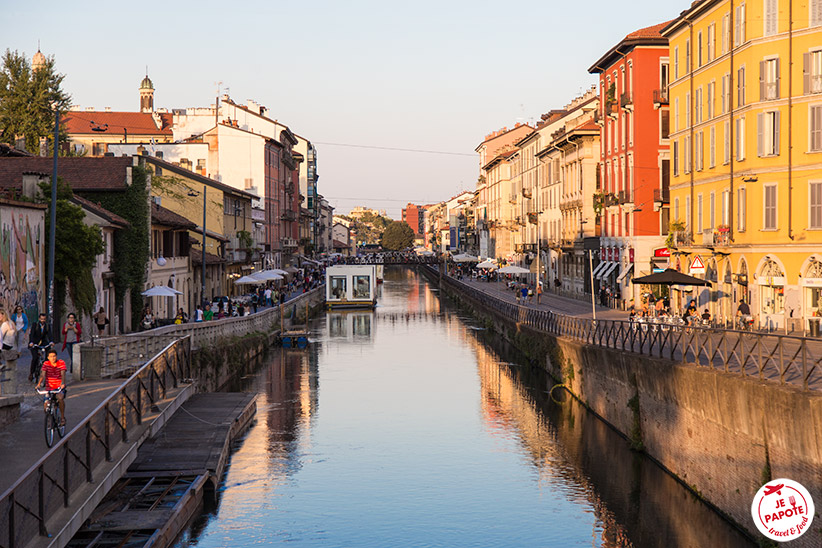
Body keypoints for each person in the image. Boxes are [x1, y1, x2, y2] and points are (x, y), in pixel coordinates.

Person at [34, 348, 66, 426]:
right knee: (46, 405)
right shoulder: (46, 364)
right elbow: (42, 375)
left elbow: (63, 374)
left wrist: (62, 383)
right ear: (48, 357)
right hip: (49, 388)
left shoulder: (61, 363)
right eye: (51, 356)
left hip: (59, 387)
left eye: (54, 356)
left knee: (60, 398)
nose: (53, 358)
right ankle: (49, 418)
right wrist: (39, 384)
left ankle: (62, 418)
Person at [28, 313, 53, 382]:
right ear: (39, 319)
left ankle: (46, 368)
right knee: (35, 357)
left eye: (44, 319)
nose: (43, 320)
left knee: (48, 354)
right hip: (34, 342)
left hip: (43, 342)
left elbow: (49, 334)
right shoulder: (35, 325)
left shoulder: (47, 325)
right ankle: (31, 373)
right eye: (41, 319)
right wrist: (31, 342)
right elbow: (32, 334)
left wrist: (51, 341)